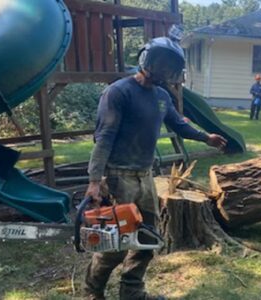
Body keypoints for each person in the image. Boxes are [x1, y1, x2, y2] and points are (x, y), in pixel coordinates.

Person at [83, 37, 227, 300]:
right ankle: (92, 292)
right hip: (118, 177)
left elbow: (178, 123)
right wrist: (94, 181)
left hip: (145, 176)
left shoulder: (162, 96)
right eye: (159, 61)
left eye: (168, 65)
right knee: (115, 243)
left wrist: (206, 137)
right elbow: (103, 138)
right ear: (146, 59)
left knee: (147, 238)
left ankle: (132, 292)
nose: (163, 68)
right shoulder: (118, 92)